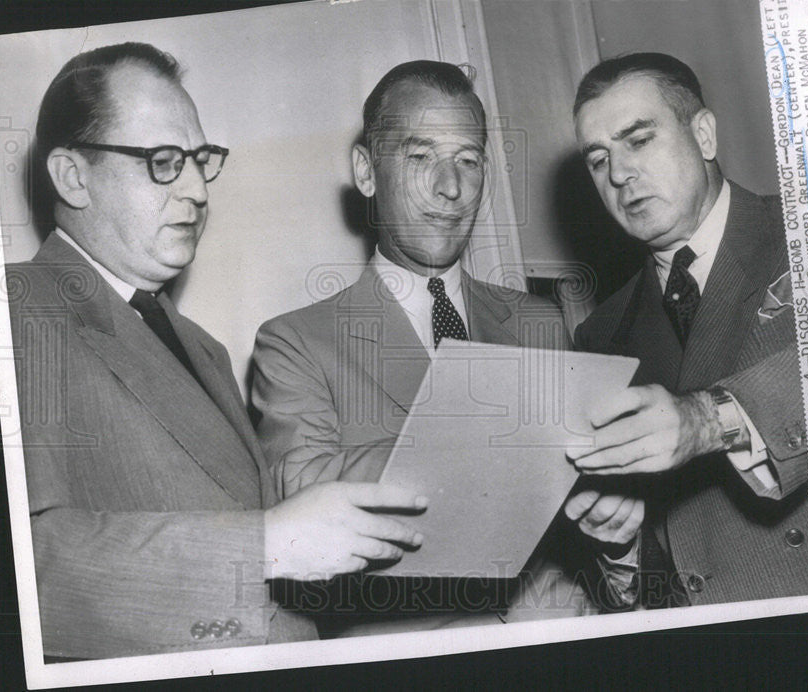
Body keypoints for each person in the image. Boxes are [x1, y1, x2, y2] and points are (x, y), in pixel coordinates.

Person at [7, 43, 427, 659]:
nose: (199, 190)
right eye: (163, 161)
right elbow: (23, 571)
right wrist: (265, 545)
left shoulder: (202, 348)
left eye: (201, 160)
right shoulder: (12, 309)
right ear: (73, 177)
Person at [252, 60, 613, 634]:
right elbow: (302, 494)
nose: (450, 188)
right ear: (367, 172)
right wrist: (491, 442)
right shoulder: (296, 342)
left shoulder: (539, 321)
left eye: (468, 161)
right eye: (420, 158)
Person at [567, 52, 808, 607]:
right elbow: (653, 578)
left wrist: (708, 419)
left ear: (704, 134)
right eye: (598, 158)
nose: (618, 174)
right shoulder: (600, 335)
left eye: (639, 140)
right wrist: (621, 548)